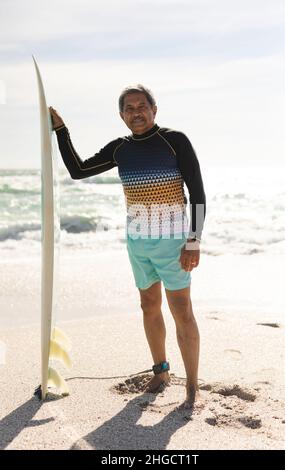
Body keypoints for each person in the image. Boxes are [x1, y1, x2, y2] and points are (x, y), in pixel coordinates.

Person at [49, 84, 206, 408]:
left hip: (173, 242)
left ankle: (192, 385)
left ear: (154, 109)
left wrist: (193, 241)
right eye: (129, 108)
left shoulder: (174, 141)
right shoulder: (120, 148)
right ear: (122, 116)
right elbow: (78, 171)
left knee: (182, 311)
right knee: (149, 306)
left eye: (142, 106)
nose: (137, 112)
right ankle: (161, 371)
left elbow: (198, 194)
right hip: (137, 242)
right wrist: (61, 131)